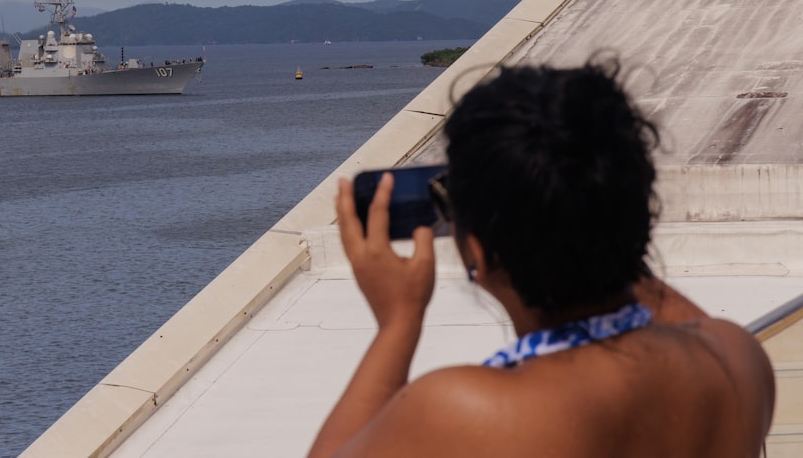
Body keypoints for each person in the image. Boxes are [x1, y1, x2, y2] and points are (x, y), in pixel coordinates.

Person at [308, 60, 775, 458]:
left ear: (478, 250)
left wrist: (398, 321)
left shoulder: (461, 413)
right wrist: (596, 212)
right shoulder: (735, 358)